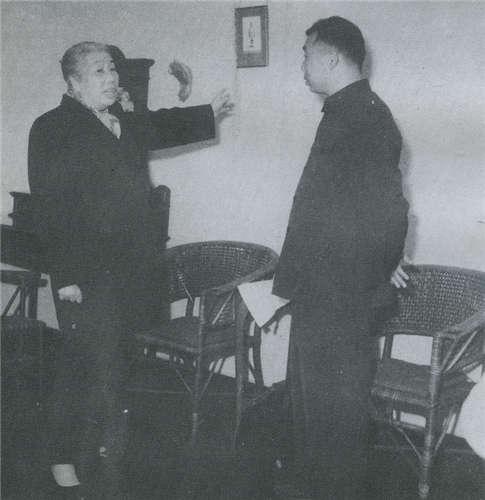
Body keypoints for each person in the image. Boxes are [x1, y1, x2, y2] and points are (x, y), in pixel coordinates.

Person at [28, 41, 233, 499]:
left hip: (128, 272)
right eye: (99, 71)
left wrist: (208, 112)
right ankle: (63, 455)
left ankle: (103, 448)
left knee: (111, 363)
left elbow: (161, 126)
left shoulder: (121, 120)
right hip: (85, 275)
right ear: (73, 82)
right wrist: (67, 277)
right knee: (85, 364)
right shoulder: (52, 127)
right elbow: (50, 206)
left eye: (113, 70)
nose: (111, 78)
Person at [272, 17, 409, 499]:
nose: (302, 63)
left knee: (334, 411)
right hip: (322, 288)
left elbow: (391, 208)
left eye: (306, 53)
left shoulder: (366, 116)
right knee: (314, 403)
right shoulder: (345, 110)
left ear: (331, 57)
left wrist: (381, 262)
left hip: (340, 293)